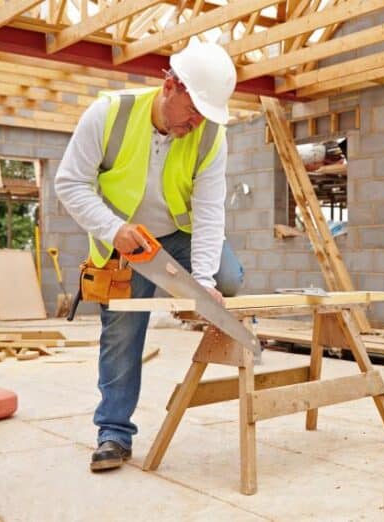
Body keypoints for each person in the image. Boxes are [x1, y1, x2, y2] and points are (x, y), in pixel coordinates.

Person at [54, 41, 243, 472]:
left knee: (228, 280)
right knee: (122, 329)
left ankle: (211, 283)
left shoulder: (211, 135)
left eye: (207, 116)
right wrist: (111, 229)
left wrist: (205, 284)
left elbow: (211, 210)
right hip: (122, 239)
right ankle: (113, 434)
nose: (198, 124)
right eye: (194, 111)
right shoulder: (108, 115)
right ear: (171, 86)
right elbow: (70, 183)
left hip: (177, 235)